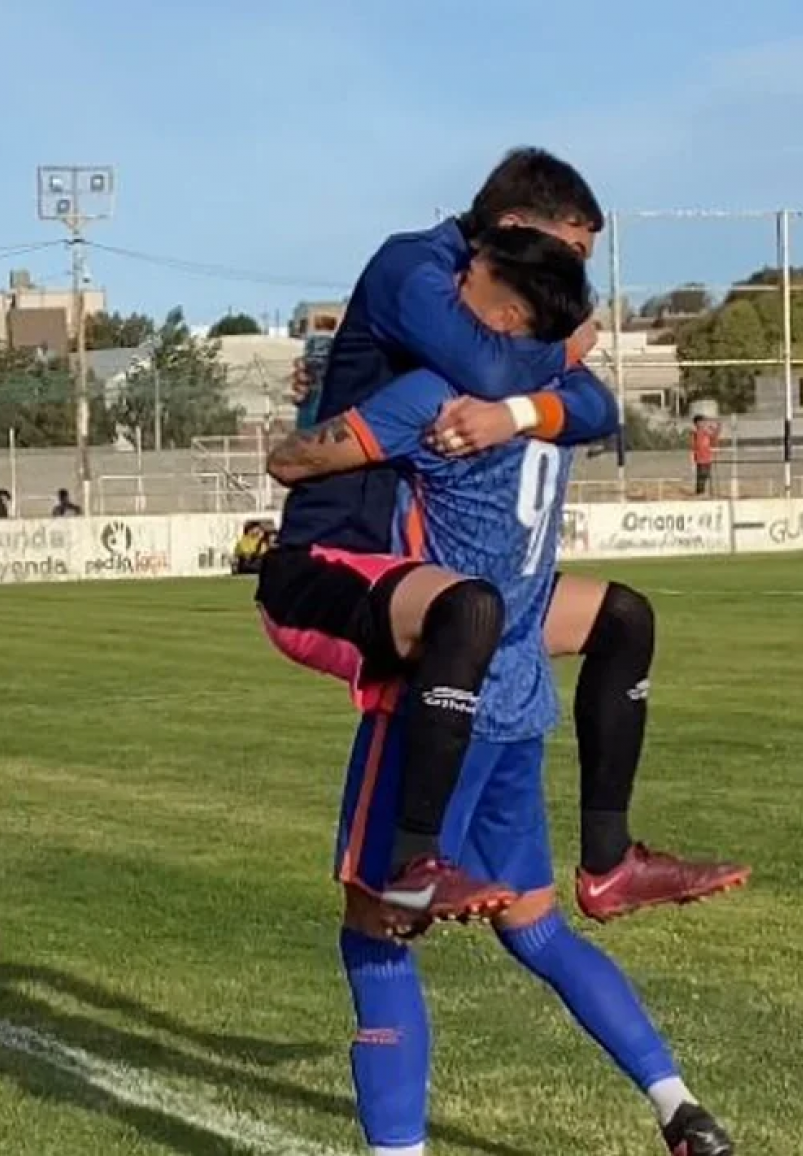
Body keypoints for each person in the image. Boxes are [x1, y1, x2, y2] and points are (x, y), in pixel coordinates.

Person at [268, 278, 737, 1156]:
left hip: (440, 707)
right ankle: (679, 1105)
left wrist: (328, 403)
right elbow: (590, 388)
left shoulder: (437, 397)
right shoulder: (565, 400)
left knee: (378, 935)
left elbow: (298, 463)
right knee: (537, 927)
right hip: (522, 695)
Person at [259, 148, 745, 924]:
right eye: (570, 252)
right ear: (514, 229)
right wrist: (562, 353)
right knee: (470, 614)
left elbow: (595, 408)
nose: (572, 282)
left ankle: (608, 860)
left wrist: (522, 410)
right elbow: (485, 368)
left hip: (423, 566)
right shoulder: (416, 270)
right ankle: (413, 865)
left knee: (623, 618)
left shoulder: (495, 306)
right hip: (341, 550)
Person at [691, 414, 721, 496]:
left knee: (706, 474)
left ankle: (701, 491)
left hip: (707, 457)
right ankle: (700, 492)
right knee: (701, 474)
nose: (703, 423)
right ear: (697, 423)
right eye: (701, 422)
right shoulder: (696, 433)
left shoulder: (706, 432)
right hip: (700, 457)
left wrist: (717, 428)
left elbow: (714, 437)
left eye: (703, 421)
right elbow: (694, 445)